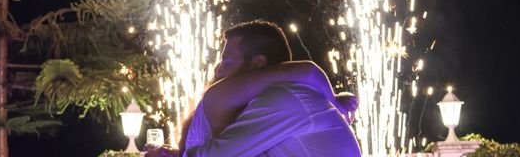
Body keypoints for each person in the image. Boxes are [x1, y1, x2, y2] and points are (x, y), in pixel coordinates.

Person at [146, 20, 361, 157]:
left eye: (227, 62)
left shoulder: (286, 99)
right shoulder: (264, 107)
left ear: (258, 64)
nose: (218, 72)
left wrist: (334, 101)